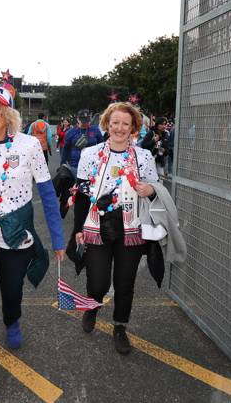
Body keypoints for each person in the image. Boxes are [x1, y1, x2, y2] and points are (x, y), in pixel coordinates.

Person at [0, 83, 65, 403]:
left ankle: (13, 318)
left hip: (15, 237)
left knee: (11, 292)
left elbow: (47, 194)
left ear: (7, 114)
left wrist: (58, 238)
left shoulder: (30, 146)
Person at [69, 102, 159, 355]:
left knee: (124, 282)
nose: (120, 128)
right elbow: (81, 195)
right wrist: (78, 228)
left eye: (126, 124)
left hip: (131, 228)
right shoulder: (90, 154)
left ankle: (120, 326)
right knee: (97, 281)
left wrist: (150, 190)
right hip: (97, 225)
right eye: (115, 122)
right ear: (107, 124)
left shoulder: (144, 157)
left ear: (134, 128)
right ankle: (92, 306)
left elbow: (156, 190)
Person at [61, 109, 103, 173]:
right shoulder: (71, 132)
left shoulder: (95, 130)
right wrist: (63, 163)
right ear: (78, 119)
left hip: (92, 164)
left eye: (87, 121)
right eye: (83, 121)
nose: (85, 123)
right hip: (75, 165)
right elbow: (66, 148)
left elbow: (101, 145)